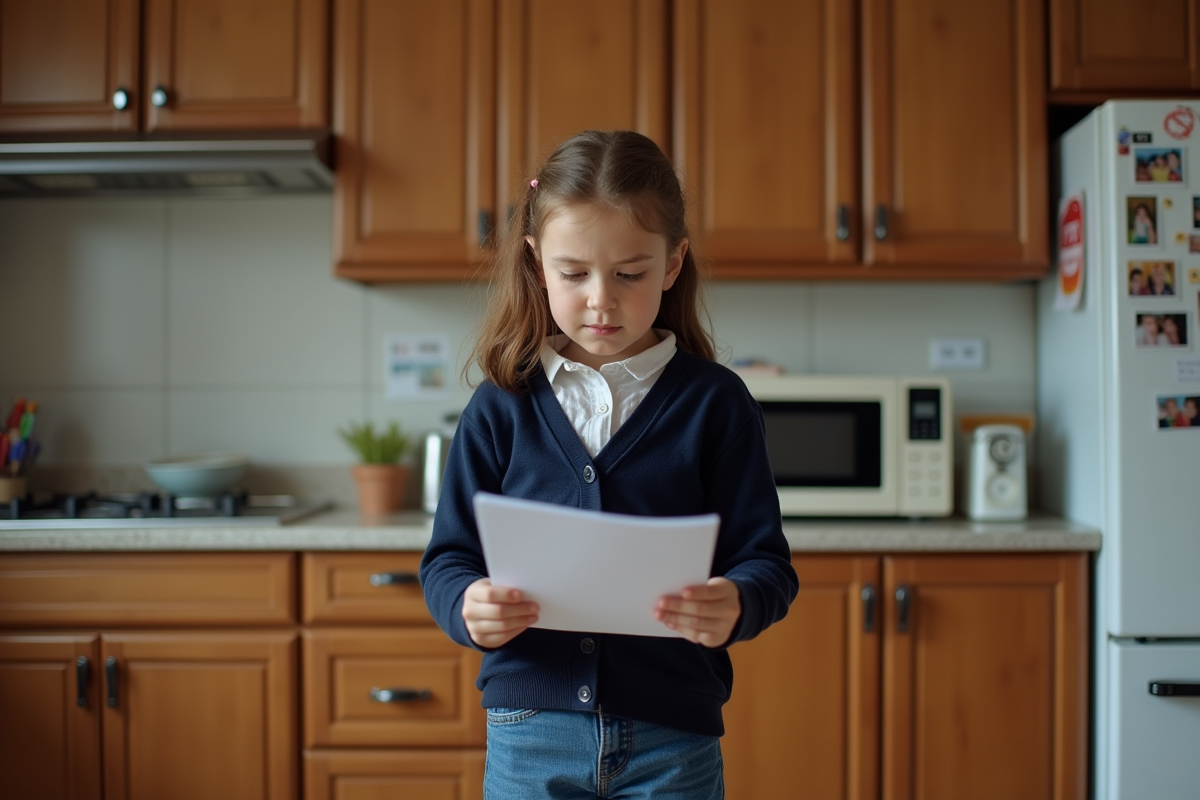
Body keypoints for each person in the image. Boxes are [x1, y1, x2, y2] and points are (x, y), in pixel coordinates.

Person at [419, 130, 798, 799]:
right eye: (574, 274)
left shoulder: (717, 404)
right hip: (530, 730)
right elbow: (448, 560)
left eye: (630, 274)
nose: (602, 299)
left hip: (672, 738)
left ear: (673, 263)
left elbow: (766, 563)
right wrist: (467, 605)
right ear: (537, 265)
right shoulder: (501, 405)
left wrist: (737, 603)